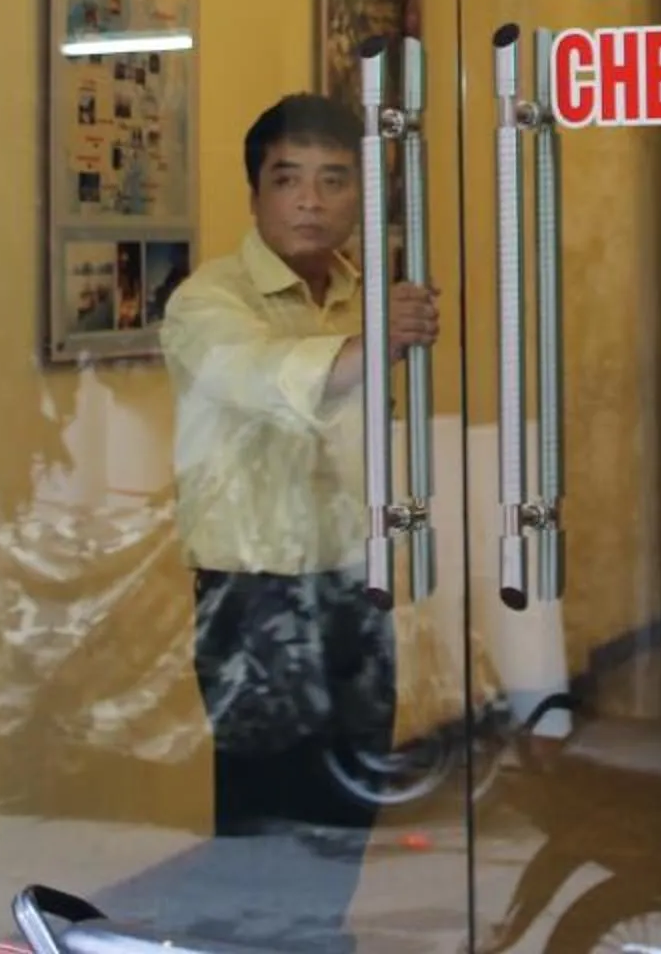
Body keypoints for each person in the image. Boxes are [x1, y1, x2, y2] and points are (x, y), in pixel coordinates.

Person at [160, 94, 440, 951]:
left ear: (361, 196)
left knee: (348, 811)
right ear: (255, 194)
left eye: (334, 180)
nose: (311, 201)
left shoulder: (365, 296)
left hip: (356, 588)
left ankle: (322, 942)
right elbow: (263, 379)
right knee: (267, 823)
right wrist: (377, 341)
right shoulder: (208, 299)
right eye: (289, 180)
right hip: (256, 603)